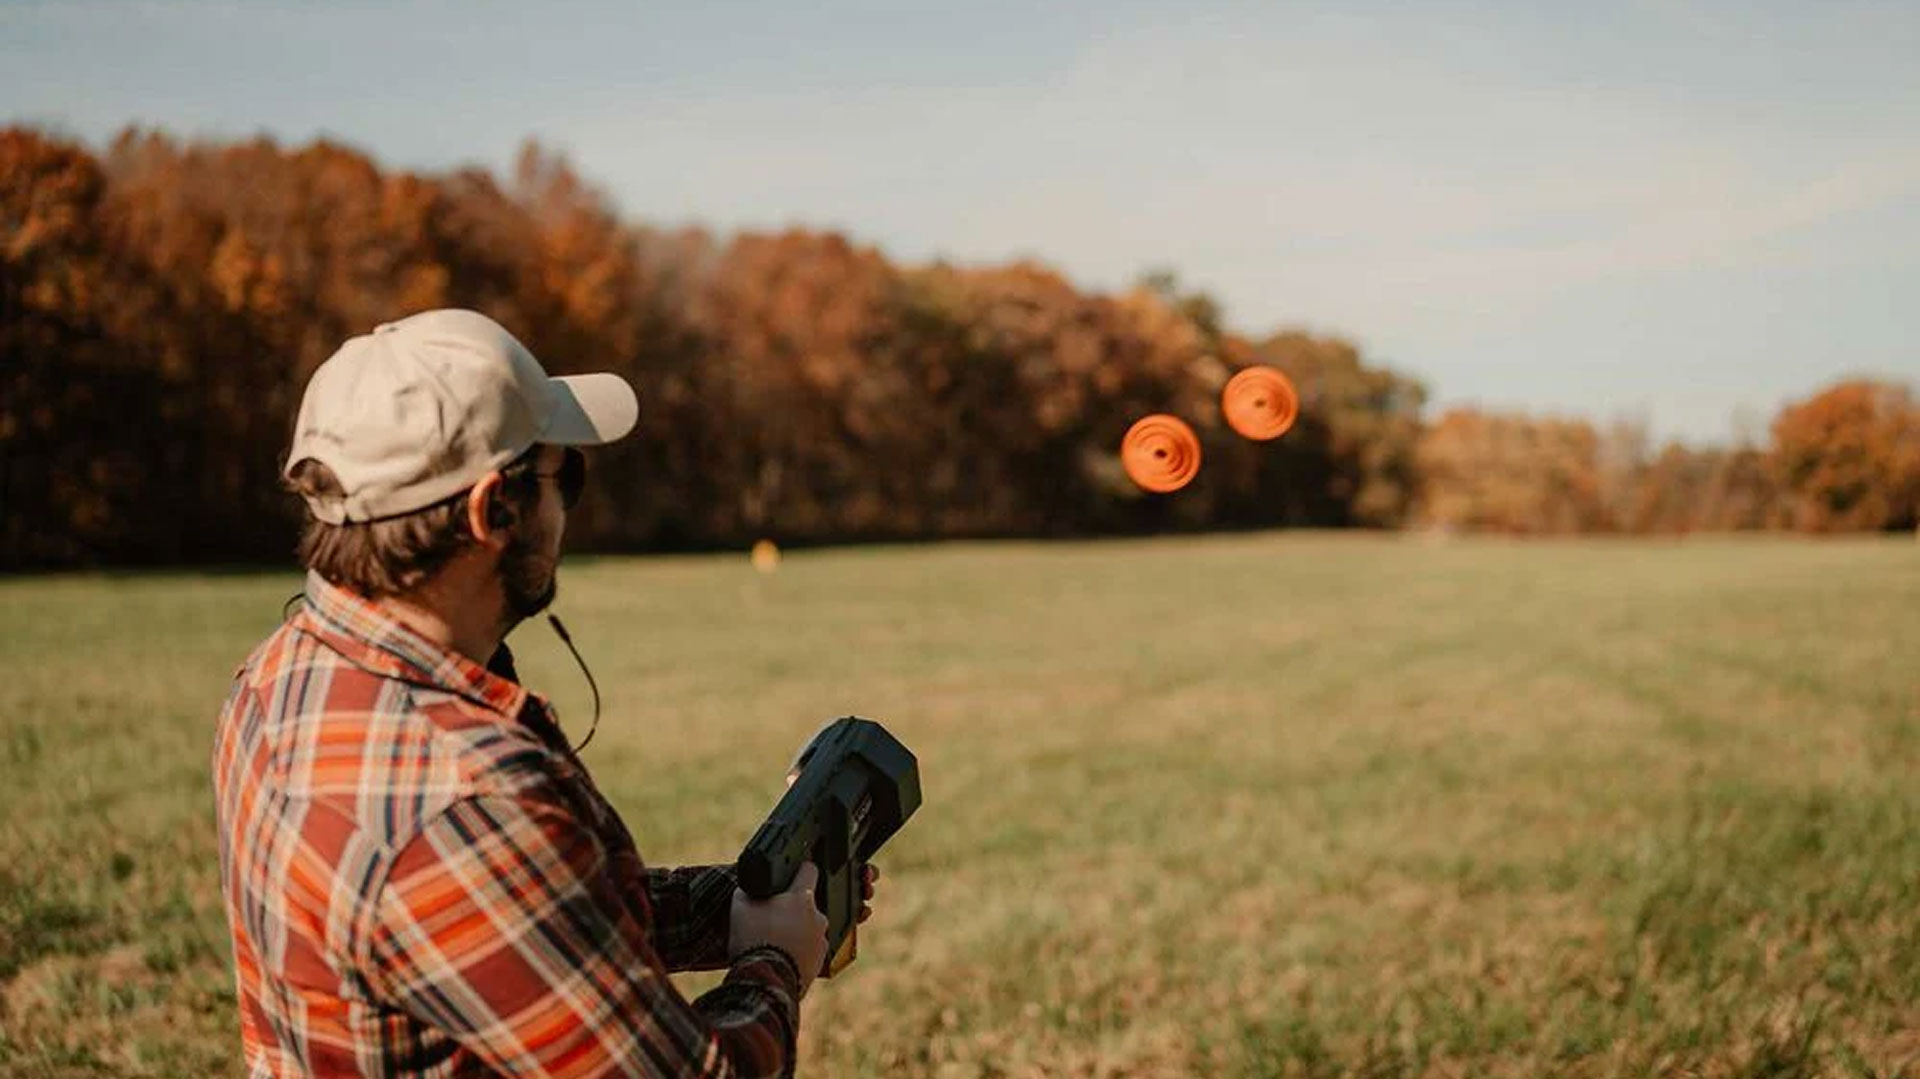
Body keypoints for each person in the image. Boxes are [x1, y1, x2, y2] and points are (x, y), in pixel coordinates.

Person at [211, 308, 874, 1078]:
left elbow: (518, 929)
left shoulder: (273, 679)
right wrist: (774, 961)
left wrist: (731, 906)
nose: (569, 511)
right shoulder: (463, 803)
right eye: (569, 475)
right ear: (493, 510)